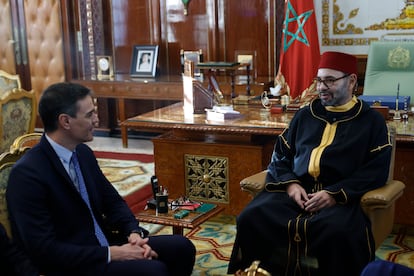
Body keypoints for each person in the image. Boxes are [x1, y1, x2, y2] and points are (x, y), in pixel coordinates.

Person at [227, 51, 392, 276]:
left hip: (338, 201)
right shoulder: (305, 115)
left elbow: (375, 170)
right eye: (319, 80)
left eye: (330, 80)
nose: (322, 87)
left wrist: (334, 194)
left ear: (352, 81)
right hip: (295, 194)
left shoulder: (371, 121)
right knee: (251, 217)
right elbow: (280, 155)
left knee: (340, 233)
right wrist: (291, 185)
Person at [6, 82, 196, 276]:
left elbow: (113, 202)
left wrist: (134, 234)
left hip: (104, 242)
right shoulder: (28, 175)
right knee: (153, 270)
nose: (97, 120)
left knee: (181, 248)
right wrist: (112, 254)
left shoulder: (82, 153)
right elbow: (44, 250)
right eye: (89, 115)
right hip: (73, 261)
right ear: (65, 121)